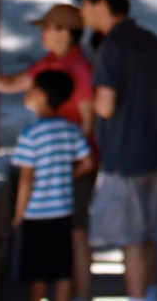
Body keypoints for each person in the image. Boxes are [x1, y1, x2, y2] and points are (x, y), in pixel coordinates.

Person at [0, 3, 98, 301]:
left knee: (76, 233)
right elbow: (10, 83)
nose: (41, 33)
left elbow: (88, 122)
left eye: (47, 28)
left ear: (64, 32)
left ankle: (81, 296)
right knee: (64, 239)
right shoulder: (48, 64)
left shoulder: (80, 69)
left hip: (72, 163)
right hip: (59, 161)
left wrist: (62, 161)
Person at [76, 0, 157, 301]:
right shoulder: (151, 40)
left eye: (85, 4)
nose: (82, 12)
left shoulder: (111, 46)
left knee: (131, 239)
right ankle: (152, 294)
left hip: (127, 156)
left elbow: (105, 107)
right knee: (148, 234)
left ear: (101, 3)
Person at [12, 69, 95, 301]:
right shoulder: (70, 129)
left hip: (37, 213)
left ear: (41, 95)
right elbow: (87, 162)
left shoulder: (31, 133)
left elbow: (26, 178)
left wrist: (19, 213)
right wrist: (65, 177)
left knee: (37, 272)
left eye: (31, 89)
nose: (26, 93)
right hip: (64, 210)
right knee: (62, 270)